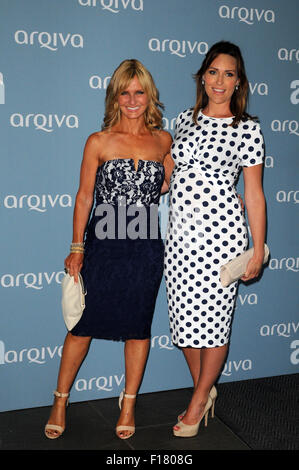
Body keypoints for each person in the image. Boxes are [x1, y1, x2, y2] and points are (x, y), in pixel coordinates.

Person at [45, 59, 173, 440]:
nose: (132, 99)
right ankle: (59, 400)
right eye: (125, 92)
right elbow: (84, 196)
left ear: (149, 95)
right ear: (115, 97)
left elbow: (166, 184)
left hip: (147, 246)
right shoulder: (98, 141)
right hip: (103, 242)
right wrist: (76, 246)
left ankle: (129, 403)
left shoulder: (163, 139)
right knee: (82, 327)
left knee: (138, 328)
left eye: (139, 92)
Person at [163, 41, 266, 437]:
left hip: (222, 238)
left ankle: (196, 401)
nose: (219, 80)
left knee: (215, 324)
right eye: (213, 71)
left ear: (238, 81)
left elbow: (254, 193)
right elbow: (169, 177)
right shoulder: (184, 121)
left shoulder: (247, 128)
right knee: (186, 325)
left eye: (229, 73)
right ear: (202, 75)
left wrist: (257, 247)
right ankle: (205, 391)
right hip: (180, 238)